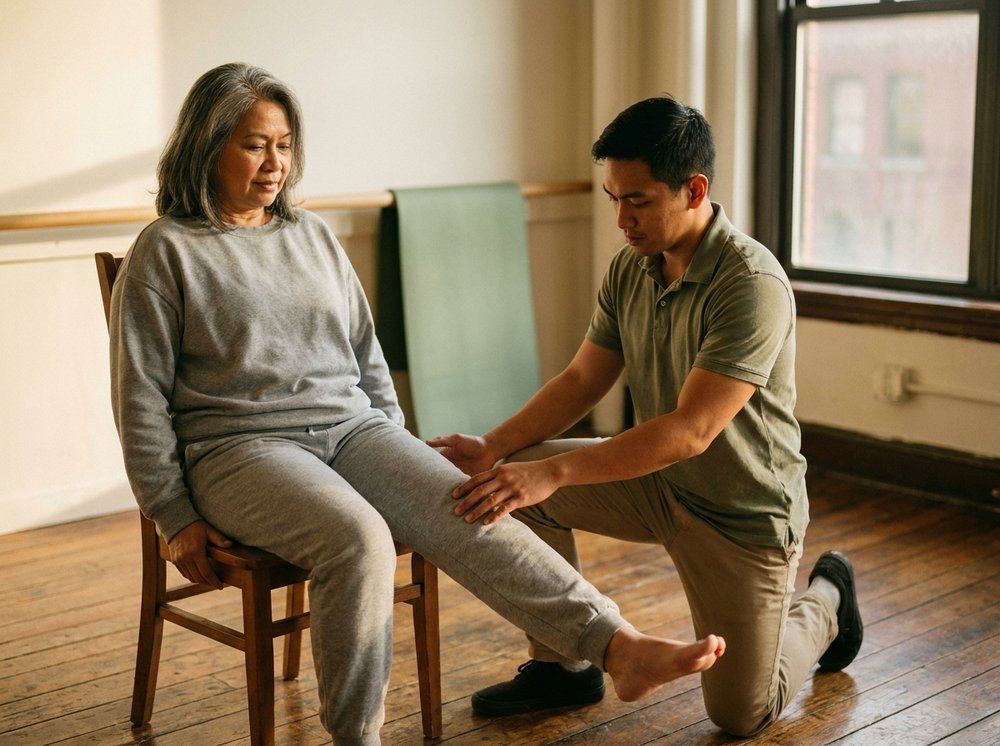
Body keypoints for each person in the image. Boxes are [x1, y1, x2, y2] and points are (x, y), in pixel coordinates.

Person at [108, 65, 727, 746]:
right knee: (358, 538)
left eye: (284, 145)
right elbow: (138, 396)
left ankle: (615, 646)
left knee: (468, 496)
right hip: (237, 449)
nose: (275, 163)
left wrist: (393, 453)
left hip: (351, 429)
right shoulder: (164, 252)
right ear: (207, 143)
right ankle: (358, 737)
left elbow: (365, 352)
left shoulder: (309, 235)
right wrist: (171, 512)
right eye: (255, 144)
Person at [428, 96, 863, 737]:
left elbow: (692, 430)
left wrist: (560, 473)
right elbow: (582, 379)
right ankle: (562, 665)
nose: (622, 219)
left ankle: (826, 601)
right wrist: (492, 447)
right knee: (513, 481)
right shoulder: (632, 268)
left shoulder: (750, 283)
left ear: (694, 190)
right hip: (657, 484)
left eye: (638, 200)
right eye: (613, 198)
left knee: (740, 714)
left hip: (740, 514)